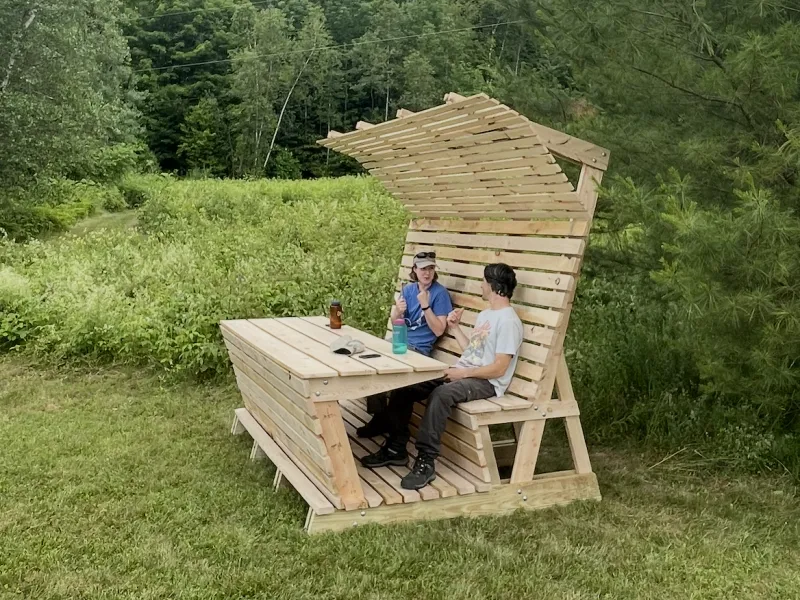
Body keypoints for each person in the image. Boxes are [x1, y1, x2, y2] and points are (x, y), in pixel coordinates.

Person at [360, 263, 523, 490]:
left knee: (440, 394)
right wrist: (455, 329)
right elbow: (473, 352)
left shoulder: (508, 321)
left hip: (486, 382)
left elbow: (499, 368)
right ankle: (396, 448)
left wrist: (462, 373)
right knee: (407, 386)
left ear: (494, 286)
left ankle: (426, 461)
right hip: (465, 372)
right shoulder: (487, 315)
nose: (481, 285)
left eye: (483, 281)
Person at [358, 250, 453, 437]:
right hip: (399, 342)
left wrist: (425, 306)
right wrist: (396, 313)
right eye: (423, 268)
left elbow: (439, 330)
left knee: (392, 378)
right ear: (414, 270)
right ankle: (379, 417)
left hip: (417, 350)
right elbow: (396, 324)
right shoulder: (408, 290)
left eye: (431, 268)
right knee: (370, 362)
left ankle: (384, 423)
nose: (427, 273)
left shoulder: (439, 294)